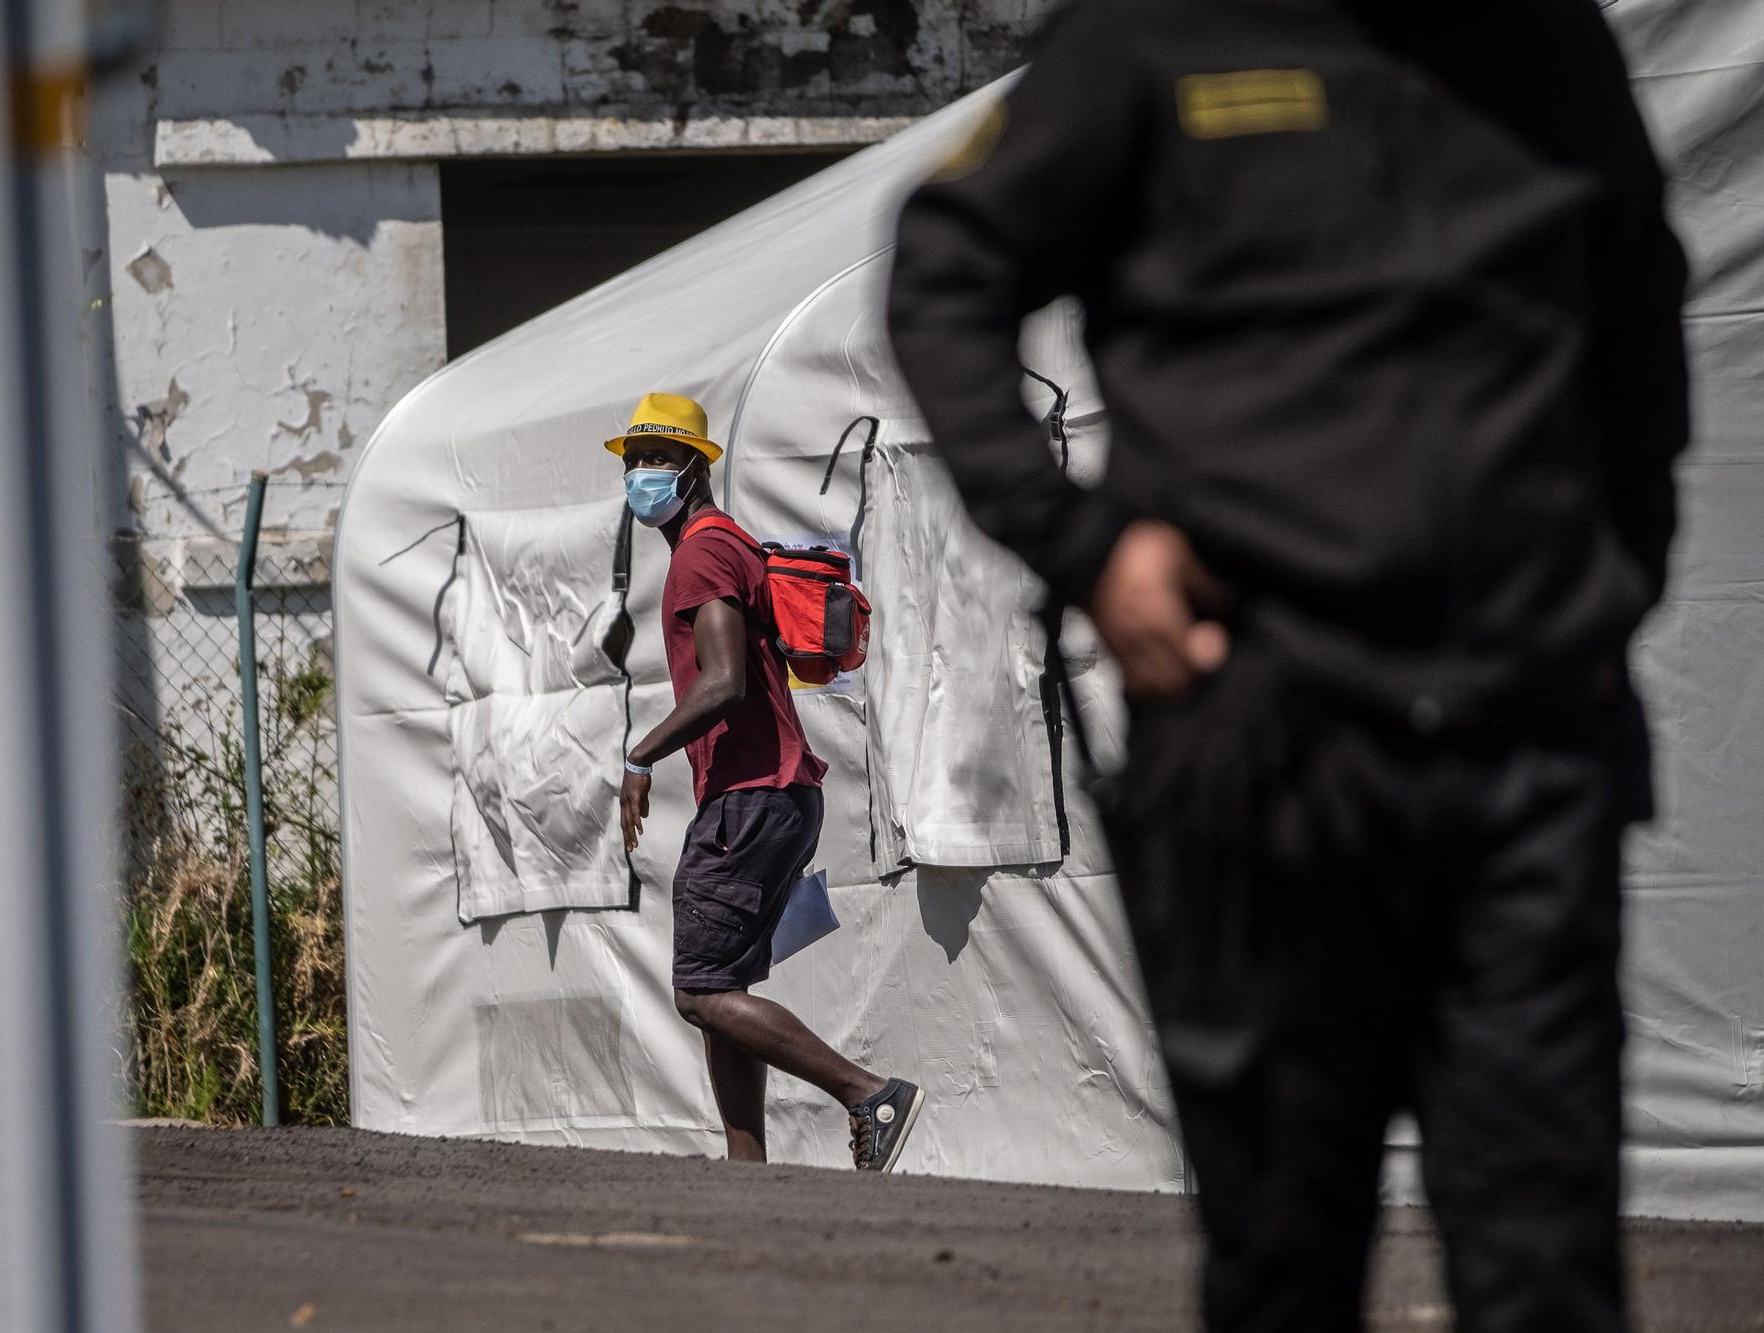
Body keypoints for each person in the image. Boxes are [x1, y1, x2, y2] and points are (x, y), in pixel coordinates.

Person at [886, 2, 1688, 1330]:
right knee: (1284, 1255)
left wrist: (1618, 578)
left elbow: (1640, 309)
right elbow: (946, 266)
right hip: (1264, 728)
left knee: (1546, 1256)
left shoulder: (1545, 45)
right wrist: (1086, 548)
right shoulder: (1156, 34)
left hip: (1525, 740)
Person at [610, 391, 925, 1172]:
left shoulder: (702, 553)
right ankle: (746, 1171)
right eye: (633, 459)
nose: (642, 474)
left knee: (699, 992)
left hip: (752, 797)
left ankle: (869, 1093)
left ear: (694, 467)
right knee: (724, 992)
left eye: (657, 457)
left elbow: (724, 684)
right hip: (774, 794)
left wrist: (638, 756)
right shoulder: (725, 544)